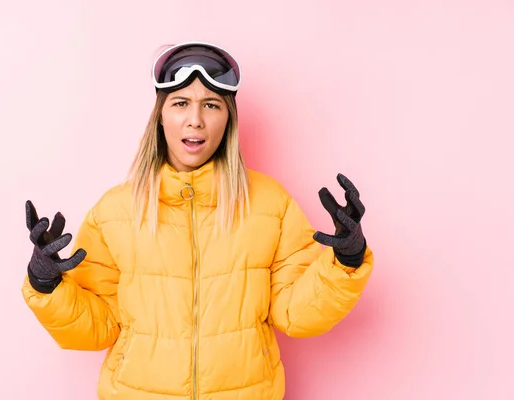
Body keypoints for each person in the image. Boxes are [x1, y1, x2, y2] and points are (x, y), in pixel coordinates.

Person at [22, 41, 374, 400]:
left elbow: (295, 314)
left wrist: (345, 261)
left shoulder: (270, 204)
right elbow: (96, 329)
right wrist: (46, 284)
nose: (195, 119)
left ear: (228, 118)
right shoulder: (115, 212)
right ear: (160, 115)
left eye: (211, 104)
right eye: (180, 103)